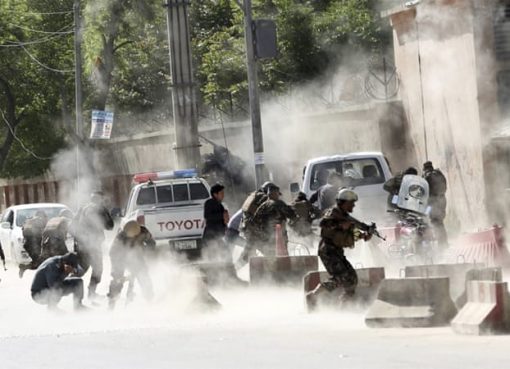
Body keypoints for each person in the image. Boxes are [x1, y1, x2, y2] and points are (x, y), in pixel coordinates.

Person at [306, 189, 372, 309]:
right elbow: (322, 224)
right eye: (351, 202)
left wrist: (364, 235)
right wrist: (340, 225)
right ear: (343, 202)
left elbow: (350, 232)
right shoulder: (333, 213)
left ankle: (344, 304)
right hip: (328, 251)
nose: (353, 205)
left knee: (352, 279)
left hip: (337, 251)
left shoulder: (345, 216)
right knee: (341, 277)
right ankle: (313, 296)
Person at [74, 191, 114, 300]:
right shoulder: (100, 209)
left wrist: (78, 241)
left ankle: (60, 287)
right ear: (100, 199)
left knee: (81, 269)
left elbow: (73, 225)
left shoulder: (82, 208)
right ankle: (91, 294)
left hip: (82, 244)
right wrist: (106, 211)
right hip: (94, 246)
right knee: (98, 269)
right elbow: (110, 226)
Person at [107, 221, 155, 309]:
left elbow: (152, 244)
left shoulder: (144, 231)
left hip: (137, 256)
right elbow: (113, 253)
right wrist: (116, 271)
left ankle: (150, 299)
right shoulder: (121, 237)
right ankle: (112, 301)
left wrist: (145, 250)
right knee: (117, 279)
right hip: (121, 257)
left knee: (144, 276)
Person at [250, 183, 297, 256]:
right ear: (275, 193)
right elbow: (292, 216)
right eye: (278, 194)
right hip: (280, 237)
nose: (278, 196)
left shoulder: (262, 206)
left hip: (266, 238)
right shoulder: (279, 204)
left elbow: (254, 221)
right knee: (283, 257)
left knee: (270, 259)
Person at [422, 161, 448, 247]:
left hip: (432, 203)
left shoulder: (427, 176)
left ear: (425, 169)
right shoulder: (438, 174)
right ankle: (444, 242)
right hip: (442, 200)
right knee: (440, 221)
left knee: (434, 221)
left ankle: (441, 245)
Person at [202, 183, 230, 261]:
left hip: (217, 237)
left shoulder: (220, 205)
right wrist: (222, 215)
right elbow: (207, 216)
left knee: (224, 255)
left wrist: (225, 222)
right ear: (215, 194)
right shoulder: (209, 203)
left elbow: (223, 220)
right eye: (221, 193)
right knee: (213, 258)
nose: (223, 195)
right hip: (210, 237)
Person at [19, 210, 48, 278]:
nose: (46, 218)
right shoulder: (40, 221)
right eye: (45, 216)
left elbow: (23, 231)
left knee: (38, 262)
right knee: (40, 263)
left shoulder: (29, 220)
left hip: (28, 244)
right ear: (42, 216)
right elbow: (43, 234)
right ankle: (24, 267)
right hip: (34, 245)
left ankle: (24, 267)